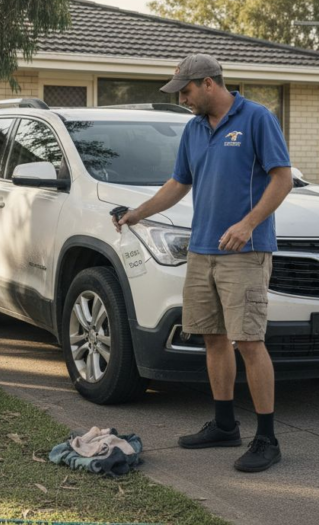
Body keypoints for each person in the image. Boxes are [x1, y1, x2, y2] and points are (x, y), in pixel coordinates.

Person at [114, 54, 293, 473]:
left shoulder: (256, 119)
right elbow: (179, 182)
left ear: (209, 83)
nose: (184, 99)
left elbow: (281, 178)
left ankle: (267, 438)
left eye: (187, 90)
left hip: (244, 252)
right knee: (212, 337)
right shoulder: (194, 129)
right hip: (201, 250)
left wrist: (249, 224)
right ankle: (225, 424)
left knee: (248, 341)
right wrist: (136, 213)